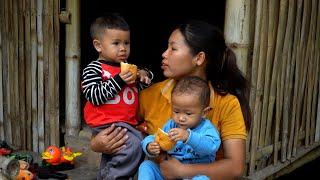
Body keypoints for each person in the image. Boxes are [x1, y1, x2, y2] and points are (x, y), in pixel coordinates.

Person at [90, 19, 251, 179]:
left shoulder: (227, 103)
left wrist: (183, 171)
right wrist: (96, 143)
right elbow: (117, 125)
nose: (164, 54)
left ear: (199, 58)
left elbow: (235, 167)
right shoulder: (149, 96)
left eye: (173, 48)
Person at [81, 13, 153, 180]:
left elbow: (144, 86)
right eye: (116, 43)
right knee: (134, 146)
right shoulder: (94, 68)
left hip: (125, 123)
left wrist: (144, 75)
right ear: (98, 46)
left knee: (117, 152)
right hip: (106, 122)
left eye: (126, 43)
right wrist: (119, 79)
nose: (123, 48)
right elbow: (94, 96)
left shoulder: (128, 69)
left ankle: (106, 175)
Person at [138, 76, 221, 180]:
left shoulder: (207, 128)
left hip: (193, 175)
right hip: (169, 173)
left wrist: (188, 137)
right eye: (176, 111)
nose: (181, 118)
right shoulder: (171, 125)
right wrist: (149, 146)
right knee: (147, 166)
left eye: (188, 113)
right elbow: (157, 137)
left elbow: (211, 147)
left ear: (204, 113)